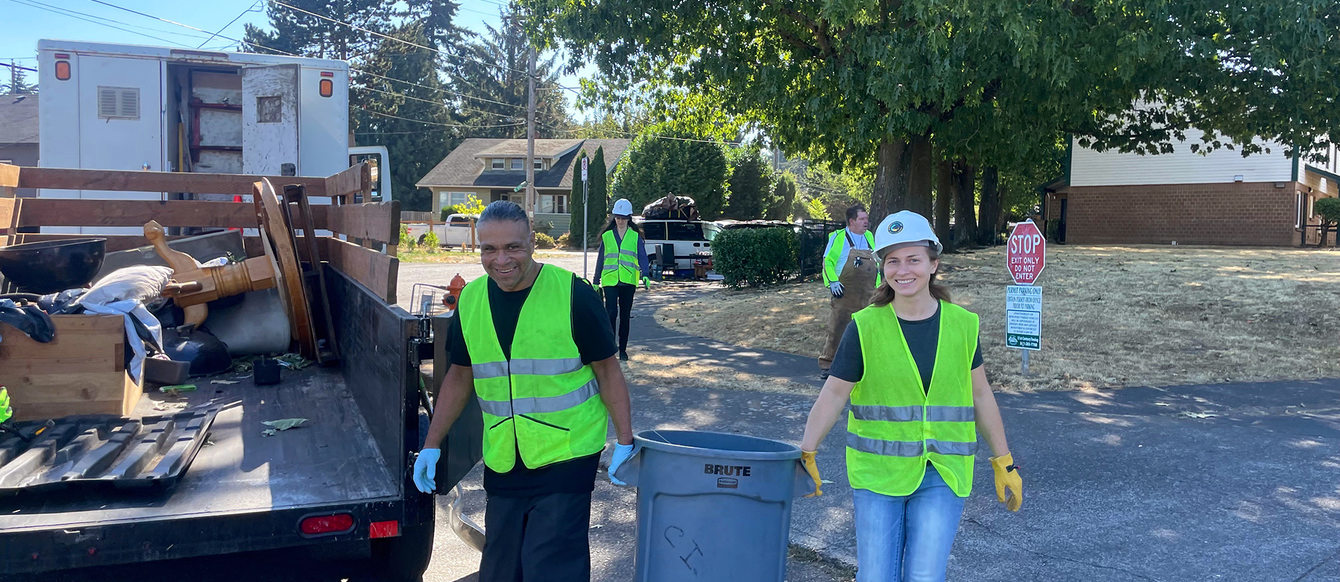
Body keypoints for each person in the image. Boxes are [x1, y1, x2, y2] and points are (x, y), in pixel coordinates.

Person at [413, 201, 636, 582]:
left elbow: (607, 371)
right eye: (489, 249)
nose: (501, 260)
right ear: (478, 247)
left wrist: (625, 441)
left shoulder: (572, 294)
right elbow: (459, 376)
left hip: (567, 456)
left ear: (532, 241)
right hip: (505, 459)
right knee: (501, 570)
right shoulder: (471, 300)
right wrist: (432, 443)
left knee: (550, 566)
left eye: (513, 247)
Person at [798, 210, 1023, 582]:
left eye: (914, 259)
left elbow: (980, 395)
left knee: (924, 576)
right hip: (877, 474)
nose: (903, 270)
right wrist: (807, 450)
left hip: (943, 473)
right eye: (892, 261)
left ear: (933, 264)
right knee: (876, 576)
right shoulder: (865, 327)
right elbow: (834, 393)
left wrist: (1004, 461)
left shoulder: (963, 325)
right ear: (882, 267)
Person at [819, 204, 879, 380]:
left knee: (866, 329)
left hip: (869, 294)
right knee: (838, 328)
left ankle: (863, 365)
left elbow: (876, 265)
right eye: (862, 219)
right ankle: (828, 364)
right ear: (852, 221)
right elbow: (827, 262)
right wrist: (833, 283)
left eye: (867, 219)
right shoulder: (838, 237)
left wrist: (879, 287)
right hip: (844, 293)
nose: (866, 222)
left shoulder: (869, 237)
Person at [591, 198, 651, 361]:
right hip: (610, 280)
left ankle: (623, 350)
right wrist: (596, 280)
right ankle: (611, 349)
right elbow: (601, 258)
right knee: (611, 313)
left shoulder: (635, 236)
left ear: (629, 218)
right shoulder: (607, 236)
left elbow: (642, 256)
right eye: (618, 218)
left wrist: (645, 274)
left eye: (624, 218)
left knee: (625, 315)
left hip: (628, 280)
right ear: (614, 218)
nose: (620, 221)